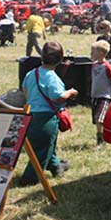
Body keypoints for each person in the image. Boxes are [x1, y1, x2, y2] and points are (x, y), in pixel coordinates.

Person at [19, 41, 77, 186]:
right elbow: (57, 97)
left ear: (41, 57)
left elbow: (24, 91)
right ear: (59, 60)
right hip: (47, 118)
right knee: (42, 150)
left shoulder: (31, 73)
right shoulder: (52, 77)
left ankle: (57, 167)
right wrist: (70, 92)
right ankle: (29, 178)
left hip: (31, 115)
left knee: (45, 144)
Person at [90, 40, 111, 146]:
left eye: (93, 52)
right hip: (95, 95)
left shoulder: (107, 66)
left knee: (99, 119)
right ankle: (101, 136)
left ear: (101, 53)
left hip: (104, 96)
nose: (91, 54)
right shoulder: (94, 65)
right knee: (96, 119)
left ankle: (101, 140)